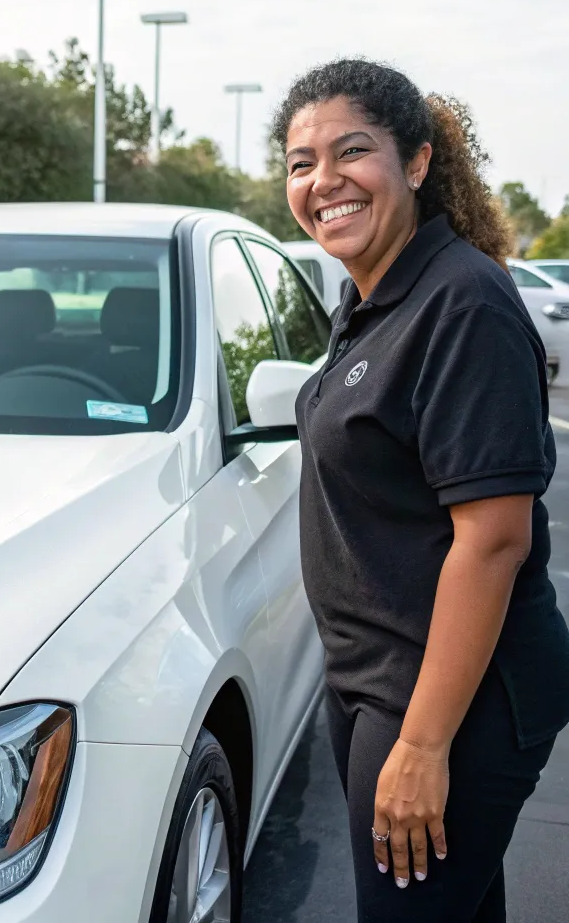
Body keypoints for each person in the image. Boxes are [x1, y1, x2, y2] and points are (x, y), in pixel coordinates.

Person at [273, 58, 569, 922]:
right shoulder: (374, 296)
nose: (323, 180)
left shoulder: (461, 303)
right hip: (379, 679)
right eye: (300, 163)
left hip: (454, 699)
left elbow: (494, 539)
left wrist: (424, 742)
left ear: (417, 162)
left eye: (351, 152)